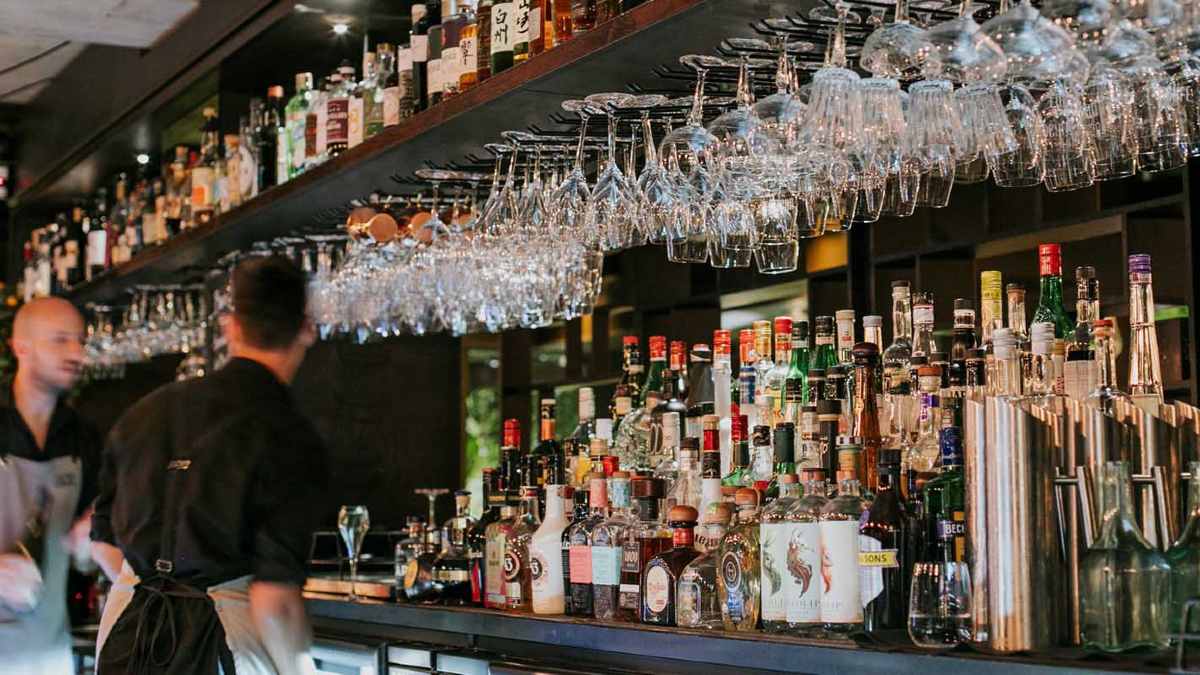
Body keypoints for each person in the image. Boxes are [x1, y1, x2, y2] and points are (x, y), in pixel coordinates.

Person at [92, 256, 328, 675]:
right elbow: (274, 603)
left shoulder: (144, 413)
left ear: (230, 327)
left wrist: (149, 585)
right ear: (308, 328)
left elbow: (103, 544)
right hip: (224, 648)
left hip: (126, 640)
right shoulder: (290, 434)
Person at [0, 297, 102, 675]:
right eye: (60, 340)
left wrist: (89, 544)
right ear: (21, 347)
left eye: (80, 340)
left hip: (48, 654)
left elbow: (87, 554)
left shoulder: (84, 438)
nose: (76, 352)